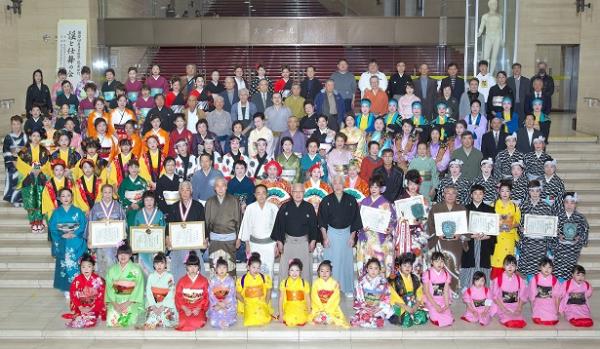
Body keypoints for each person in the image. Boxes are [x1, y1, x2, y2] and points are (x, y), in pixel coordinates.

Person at [317, 175, 362, 295]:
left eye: (340, 183)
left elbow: (355, 220)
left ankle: (347, 288)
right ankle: (329, 289)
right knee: (331, 261)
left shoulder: (351, 200)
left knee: (346, 261)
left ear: (344, 184)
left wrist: (352, 237)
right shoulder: (326, 200)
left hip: (347, 234)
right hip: (331, 233)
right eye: (335, 183)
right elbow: (322, 221)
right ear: (332, 185)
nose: (337, 185)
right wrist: (325, 237)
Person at [271, 183, 319, 282]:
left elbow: (314, 226)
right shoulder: (284, 207)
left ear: (304, 193)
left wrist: (313, 240)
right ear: (291, 193)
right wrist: (279, 241)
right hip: (288, 243)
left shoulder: (309, 207)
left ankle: (305, 295)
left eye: (300, 192)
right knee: (285, 269)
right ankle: (284, 294)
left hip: (304, 243)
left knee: (305, 270)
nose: (298, 194)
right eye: (295, 192)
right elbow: (279, 225)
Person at [49, 188, 87, 298]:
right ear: (59, 198)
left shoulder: (78, 211)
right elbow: (52, 227)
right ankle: (66, 288)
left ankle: (78, 287)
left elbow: (83, 224)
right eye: (63, 196)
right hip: (63, 240)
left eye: (68, 195)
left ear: (72, 197)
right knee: (64, 264)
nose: (66, 198)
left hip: (75, 240)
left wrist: (75, 233)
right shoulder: (56, 212)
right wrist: (62, 234)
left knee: (76, 263)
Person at [428, 185, 467, 291]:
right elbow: (430, 225)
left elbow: (466, 227)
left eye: (453, 193)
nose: (450, 195)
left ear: (456, 195)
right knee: (439, 265)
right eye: (447, 193)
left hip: (455, 244)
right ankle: (438, 290)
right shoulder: (436, 208)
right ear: (443, 195)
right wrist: (437, 233)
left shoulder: (461, 208)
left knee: (454, 265)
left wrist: (460, 234)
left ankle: (453, 289)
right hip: (440, 243)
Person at [356, 176, 397, 277]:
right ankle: (365, 286)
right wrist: (361, 227)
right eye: (371, 187)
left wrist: (390, 228)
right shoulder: (364, 202)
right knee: (367, 262)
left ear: (381, 189)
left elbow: (393, 220)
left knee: (380, 264)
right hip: (366, 236)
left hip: (380, 238)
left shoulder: (386, 203)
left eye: (376, 187)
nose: (373, 189)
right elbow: (357, 219)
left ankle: (382, 286)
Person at [167, 181, 206, 281]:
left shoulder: (198, 206)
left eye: (187, 190)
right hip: (178, 246)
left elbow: (203, 225)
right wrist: (167, 239)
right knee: (177, 273)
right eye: (182, 190)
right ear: (179, 191)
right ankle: (178, 291)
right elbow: (169, 226)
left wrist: (205, 239)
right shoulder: (173, 207)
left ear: (191, 191)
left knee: (196, 271)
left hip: (194, 245)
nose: (185, 193)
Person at [237, 184, 278, 277]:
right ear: (254, 195)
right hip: (254, 245)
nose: (261, 195)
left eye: (263, 193)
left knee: (268, 270)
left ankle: (268, 291)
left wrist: (276, 245)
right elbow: (246, 225)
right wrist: (247, 244)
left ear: (267, 194)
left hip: (270, 245)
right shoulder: (250, 208)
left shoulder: (273, 208)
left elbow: (277, 228)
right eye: (258, 193)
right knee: (254, 270)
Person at [460, 185, 497, 289]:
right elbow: (461, 228)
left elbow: (493, 229)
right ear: (471, 195)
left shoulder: (490, 209)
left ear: (484, 195)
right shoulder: (465, 209)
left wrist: (488, 236)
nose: (478, 196)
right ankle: (466, 286)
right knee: (468, 261)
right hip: (470, 241)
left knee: (483, 261)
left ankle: (483, 287)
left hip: (484, 242)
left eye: (480, 193)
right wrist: (470, 235)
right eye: (475, 193)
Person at [87, 184, 126, 277]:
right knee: (102, 263)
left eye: (110, 192)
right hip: (101, 240)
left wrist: (123, 234)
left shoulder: (118, 206)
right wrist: (90, 239)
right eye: (105, 192)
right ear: (101, 193)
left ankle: (114, 285)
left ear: (113, 193)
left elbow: (124, 222)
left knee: (113, 262)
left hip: (114, 241)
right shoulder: (96, 207)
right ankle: (103, 286)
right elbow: (91, 222)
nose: (107, 195)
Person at [518, 180, 554, 280]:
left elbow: (550, 227)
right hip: (527, 244)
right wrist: (521, 229)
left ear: (540, 191)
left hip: (540, 245)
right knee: (525, 274)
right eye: (532, 191)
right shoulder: (523, 206)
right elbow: (518, 223)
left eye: (537, 191)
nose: (534, 193)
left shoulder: (547, 207)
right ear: (528, 191)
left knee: (539, 272)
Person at [205, 178, 241, 277]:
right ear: (214, 188)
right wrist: (206, 237)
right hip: (215, 240)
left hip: (230, 240)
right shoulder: (210, 202)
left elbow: (239, 220)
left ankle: (230, 290)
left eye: (223, 185)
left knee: (229, 266)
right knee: (215, 265)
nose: (220, 188)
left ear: (226, 187)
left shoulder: (234, 200)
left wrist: (238, 238)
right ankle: (214, 289)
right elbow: (206, 222)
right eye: (218, 186)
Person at [105, 244, 145, 328]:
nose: (123, 256)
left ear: (130, 255)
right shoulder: (112, 270)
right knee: (112, 321)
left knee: (128, 320)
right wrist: (115, 304)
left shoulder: (136, 269)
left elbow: (139, 288)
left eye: (126, 253)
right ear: (117, 255)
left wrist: (128, 303)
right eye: (120, 253)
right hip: (115, 300)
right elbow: (109, 288)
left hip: (131, 300)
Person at [553, 192, 589, 281]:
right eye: (567, 202)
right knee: (557, 272)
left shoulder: (581, 218)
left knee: (571, 272)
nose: (569, 205)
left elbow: (585, 231)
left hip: (573, 250)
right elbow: (551, 231)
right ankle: (558, 292)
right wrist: (558, 235)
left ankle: (568, 292)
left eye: (572, 202)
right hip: (559, 249)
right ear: (563, 203)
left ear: (575, 204)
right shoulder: (557, 216)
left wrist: (579, 238)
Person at [64, 253, 106, 328]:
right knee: (80, 315)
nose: (86, 269)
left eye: (89, 266)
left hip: (94, 305)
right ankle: (82, 315)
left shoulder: (98, 280)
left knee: (92, 317)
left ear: (93, 267)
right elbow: (73, 294)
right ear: (80, 268)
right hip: (81, 304)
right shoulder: (77, 280)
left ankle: (90, 316)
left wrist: (92, 307)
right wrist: (81, 307)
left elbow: (101, 296)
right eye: (83, 267)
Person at [350, 258, 395, 328]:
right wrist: (365, 306)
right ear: (367, 269)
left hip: (378, 306)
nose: (373, 271)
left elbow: (387, 296)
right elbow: (358, 295)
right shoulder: (361, 281)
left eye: (376, 268)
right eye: (371, 268)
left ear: (379, 270)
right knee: (363, 317)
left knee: (377, 318)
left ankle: (376, 318)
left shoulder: (383, 281)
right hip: (366, 306)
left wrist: (379, 307)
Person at [388, 253, 428, 328]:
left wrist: (416, 305)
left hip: (413, 302)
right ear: (399, 266)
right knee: (405, 321)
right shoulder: (393, 279)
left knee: (422, 317)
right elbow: (393, 296)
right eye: (404, 265)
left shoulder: (414, 278)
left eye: (409, 266)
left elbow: (419, 293)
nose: (407, 268)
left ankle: (413, 312)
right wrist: (406, 307)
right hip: (400, 304)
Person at [132, 191, 166, 276]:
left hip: (155, 245)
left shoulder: (159, 214)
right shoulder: (138, 214)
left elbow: (163, 229)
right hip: (142, 245)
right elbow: (135, 230)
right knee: (143, 269)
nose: (149, 202)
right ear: (143, 201)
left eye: (151, 200)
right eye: (146, 200)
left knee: (155, 267)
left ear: (154, 201)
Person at [236, 252, 273, 327]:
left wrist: (266, 302)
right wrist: (244, 302)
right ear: (248, 267)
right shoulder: (242, 280)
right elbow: (237, 293)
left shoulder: (264, 278)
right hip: (248, 303)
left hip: (261, 302)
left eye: (258, 268)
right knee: (250, 319)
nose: (256, 270)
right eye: (253, 267)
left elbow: (269, 290)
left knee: (264, 317)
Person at [175, 251, 209, 331]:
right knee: (183, 322)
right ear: (186, 267)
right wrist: (185, 308)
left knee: (199, 321)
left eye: (195, 266)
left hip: (198, 308)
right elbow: (178, 297)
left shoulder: (204, 281)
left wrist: (198, 308)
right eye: (190, 266)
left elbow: (206, 297)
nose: (193, 269)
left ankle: (200, 315)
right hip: (185, 307)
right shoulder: (181, 281)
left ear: (198, 267)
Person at [310, 260, 349, 328]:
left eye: (327, 271)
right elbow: (314, 297)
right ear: (318, 272)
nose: (324, 273)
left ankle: (326, 317)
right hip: (319, 306)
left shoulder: (334, 283)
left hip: (331, 306)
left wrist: (327, 309)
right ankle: (324, 317)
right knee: (316, 316)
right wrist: (321, 308)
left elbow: (335, 297)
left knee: (333, 316)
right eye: (322, 271)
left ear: (331, 272)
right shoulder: (316, 283)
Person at [491, 255, 527, 328]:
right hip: (502, 305)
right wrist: (503, 309)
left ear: (516, 267)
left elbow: (523, 295)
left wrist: (519, 308)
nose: (510, 267)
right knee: (508, 319)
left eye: (512, 265)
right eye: (507, 265)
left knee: (519, 320)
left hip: (515, 306)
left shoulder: (519, 279)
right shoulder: (498, 279)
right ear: (503, 266)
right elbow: (494, 296)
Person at [143, 252, 178, 329]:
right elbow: (149, 293)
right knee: (152, 315)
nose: (159, 266)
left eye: (161, 263)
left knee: (167, 315)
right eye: (156, 263)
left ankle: (161, 321)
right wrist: (154, 306)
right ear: (154, 265)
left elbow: (171, 292)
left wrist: (163, 306)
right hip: (153, 304)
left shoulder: (169, 276)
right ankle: (157, 321)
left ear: (165, 264)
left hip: (166, 304)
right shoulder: (151, 277)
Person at [422, 252, 454, 327]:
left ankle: (443, 312)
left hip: (442, 299)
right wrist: (436, 305)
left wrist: (446, 304)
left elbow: (446, 291)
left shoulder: (446, 274)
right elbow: (426, 292)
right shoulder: (428, 273)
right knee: (435, 316)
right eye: (436, 261)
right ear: (432, 262)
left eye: (442, 261)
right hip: (431, 300)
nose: (439, 264)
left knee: (448, 317)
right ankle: (431, 311)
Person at [528, 257, 561, 326]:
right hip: (539, 304)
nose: (547, 269)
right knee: (537, 318)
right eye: (544, 267)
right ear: (539, 267)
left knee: (552, 320)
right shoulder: (535, 279)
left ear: (552, 269)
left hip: (550, 304)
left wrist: (557, 310)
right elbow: (532, 296)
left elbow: (557, 296)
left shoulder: (554, 280)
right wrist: (533, 308)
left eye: (549, 267)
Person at [278, 258, 311, 326]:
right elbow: (281, 299)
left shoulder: (304, 283)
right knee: (290, 318)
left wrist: (309, 311)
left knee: (301, 318)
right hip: (289, 305)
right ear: (288, 271)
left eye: (297, 270)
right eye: (292, 270)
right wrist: (281, 314)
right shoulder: (284, 283)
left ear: (300, 272)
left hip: (301, 305)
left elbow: (307, 298)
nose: (294, 273)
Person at [3, 115, 27, 205]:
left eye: (18, 124)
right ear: (11, 125)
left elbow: (28, 150)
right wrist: (13, 161)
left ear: (21, 124)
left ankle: (24, 198)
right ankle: (14, 198)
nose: (16, 126)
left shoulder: (25, 137)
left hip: (24, 162)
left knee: (25, 175)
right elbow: (6, 151)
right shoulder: (8, 137)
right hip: (12, 163)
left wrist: (22, 161)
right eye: (14, 124)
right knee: (13, 174)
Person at [207, 257, 237, 329]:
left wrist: (224, 303)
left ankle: (226, 321)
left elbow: (231, 293)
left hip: (227, 303)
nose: (222, 270)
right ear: (216, 269)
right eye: (219, 268)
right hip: (216, 303)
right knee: (213, 321)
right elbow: (211, 293)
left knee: (229, 313)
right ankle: (221, 322)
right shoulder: (213, 280)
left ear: (227, 269)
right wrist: (218, 303)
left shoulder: (230, 280)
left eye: (224, 268)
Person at [118, 159, 147, 229]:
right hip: (128, 208)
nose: (134, 169)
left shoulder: (142, 181)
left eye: (136, 167)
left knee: (140, 226)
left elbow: (146, 196)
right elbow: (121, 195)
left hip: (140, 208)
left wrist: (139, 204)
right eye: (131, 167)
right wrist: (130, 204)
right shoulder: (124, 182)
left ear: (138, 168)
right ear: (128, 169)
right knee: (129, 227)